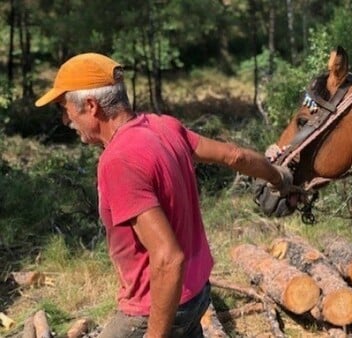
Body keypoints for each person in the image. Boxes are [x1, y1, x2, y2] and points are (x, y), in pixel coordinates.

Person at [35, 53, 292, 338]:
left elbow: (169, 259)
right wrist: (279, 177)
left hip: (154, 307)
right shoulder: (164, 126)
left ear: (92, 106)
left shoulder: (119, 160)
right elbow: (235, 155)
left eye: (64, 108)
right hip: (196, 294)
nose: (64, 118)